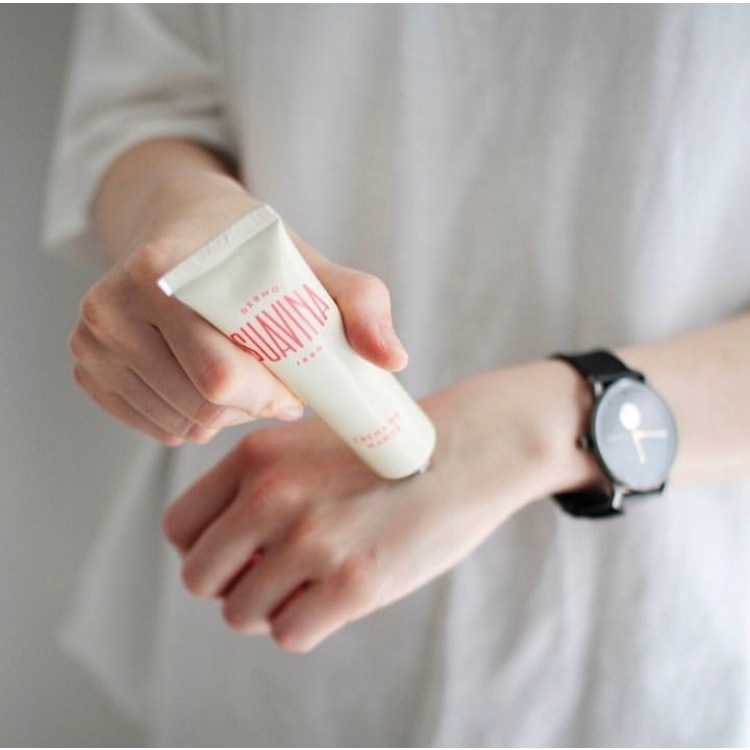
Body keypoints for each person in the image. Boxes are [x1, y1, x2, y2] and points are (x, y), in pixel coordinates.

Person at [45, 5, 750, 746]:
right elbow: (137, 112)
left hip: (647, 647)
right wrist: (181, 212)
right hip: (264, 594)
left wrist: (532, 431)